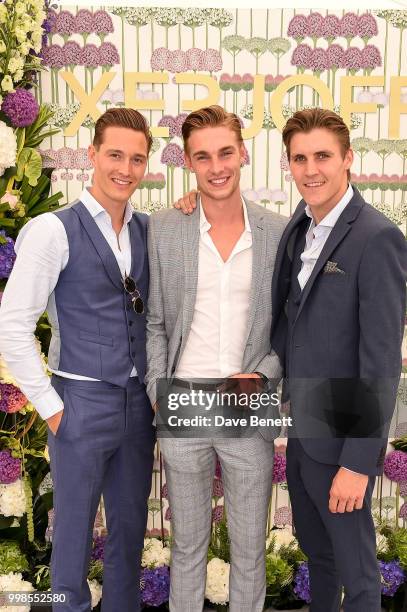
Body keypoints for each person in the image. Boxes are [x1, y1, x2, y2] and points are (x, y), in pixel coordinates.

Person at [0, 108, 156, 612]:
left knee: (130, 534)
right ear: (92, 155)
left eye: (137, 158)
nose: (125, 169)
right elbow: (13, 326)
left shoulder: (150, 230)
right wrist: (51, 406)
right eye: (115, 154)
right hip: (80, 400)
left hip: (138, 405)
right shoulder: (52, 230)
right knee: (70, 536)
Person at [145, 105, 286, 612]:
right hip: (182, 404)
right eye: (202, 156)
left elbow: (290, 326)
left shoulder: (279, 231)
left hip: (247, 406)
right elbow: (156, 321)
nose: (216, 166)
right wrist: (158, 395)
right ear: (188, 161)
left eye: (225, 151)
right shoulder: (165, 227)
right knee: (187, 549)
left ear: (243, 152)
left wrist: (265, 375)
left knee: (249, 551)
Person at [270, 108, 407, 611]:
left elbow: (381, 363)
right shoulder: (298, 226)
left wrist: (358, 462)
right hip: (304, 432)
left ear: (348, 158)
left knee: (359, 573)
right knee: (319, 559)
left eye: (323, 156)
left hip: (344, 440)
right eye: (300, 158)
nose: (311, 169)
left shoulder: (377, 237)